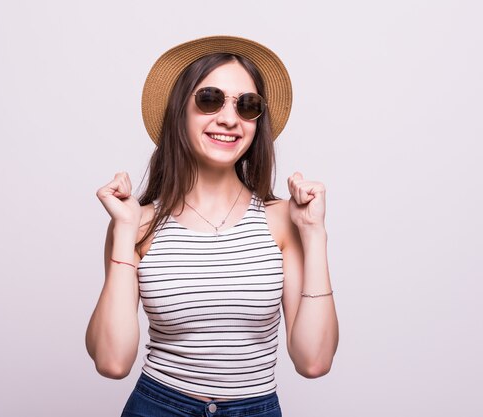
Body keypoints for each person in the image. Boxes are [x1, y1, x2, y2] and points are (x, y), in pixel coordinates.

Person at [85, 35, 339, 417]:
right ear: (179, 111)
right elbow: (112, 362)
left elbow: (313, 362)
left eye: (247, 106)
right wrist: (124, 230)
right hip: (158, 406)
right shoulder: (137, 224)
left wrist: (315, 234)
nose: (228, 118)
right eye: (210, 99)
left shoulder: (285, 220)